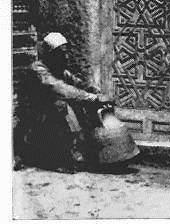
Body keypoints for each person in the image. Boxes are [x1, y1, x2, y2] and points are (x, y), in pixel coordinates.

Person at [21, 32, 115, 172]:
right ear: (50, 54)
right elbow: (59, 88)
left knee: (79, 104)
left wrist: (96, 92)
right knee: (62, 106)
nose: (65, 57)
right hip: (35, 118)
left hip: (47, 115)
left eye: (65, 53)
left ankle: (88, 151)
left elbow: (78, 84)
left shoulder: (60, 70)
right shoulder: (38, 70)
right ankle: (59, 159)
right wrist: (90, 97)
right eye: (61, 53)